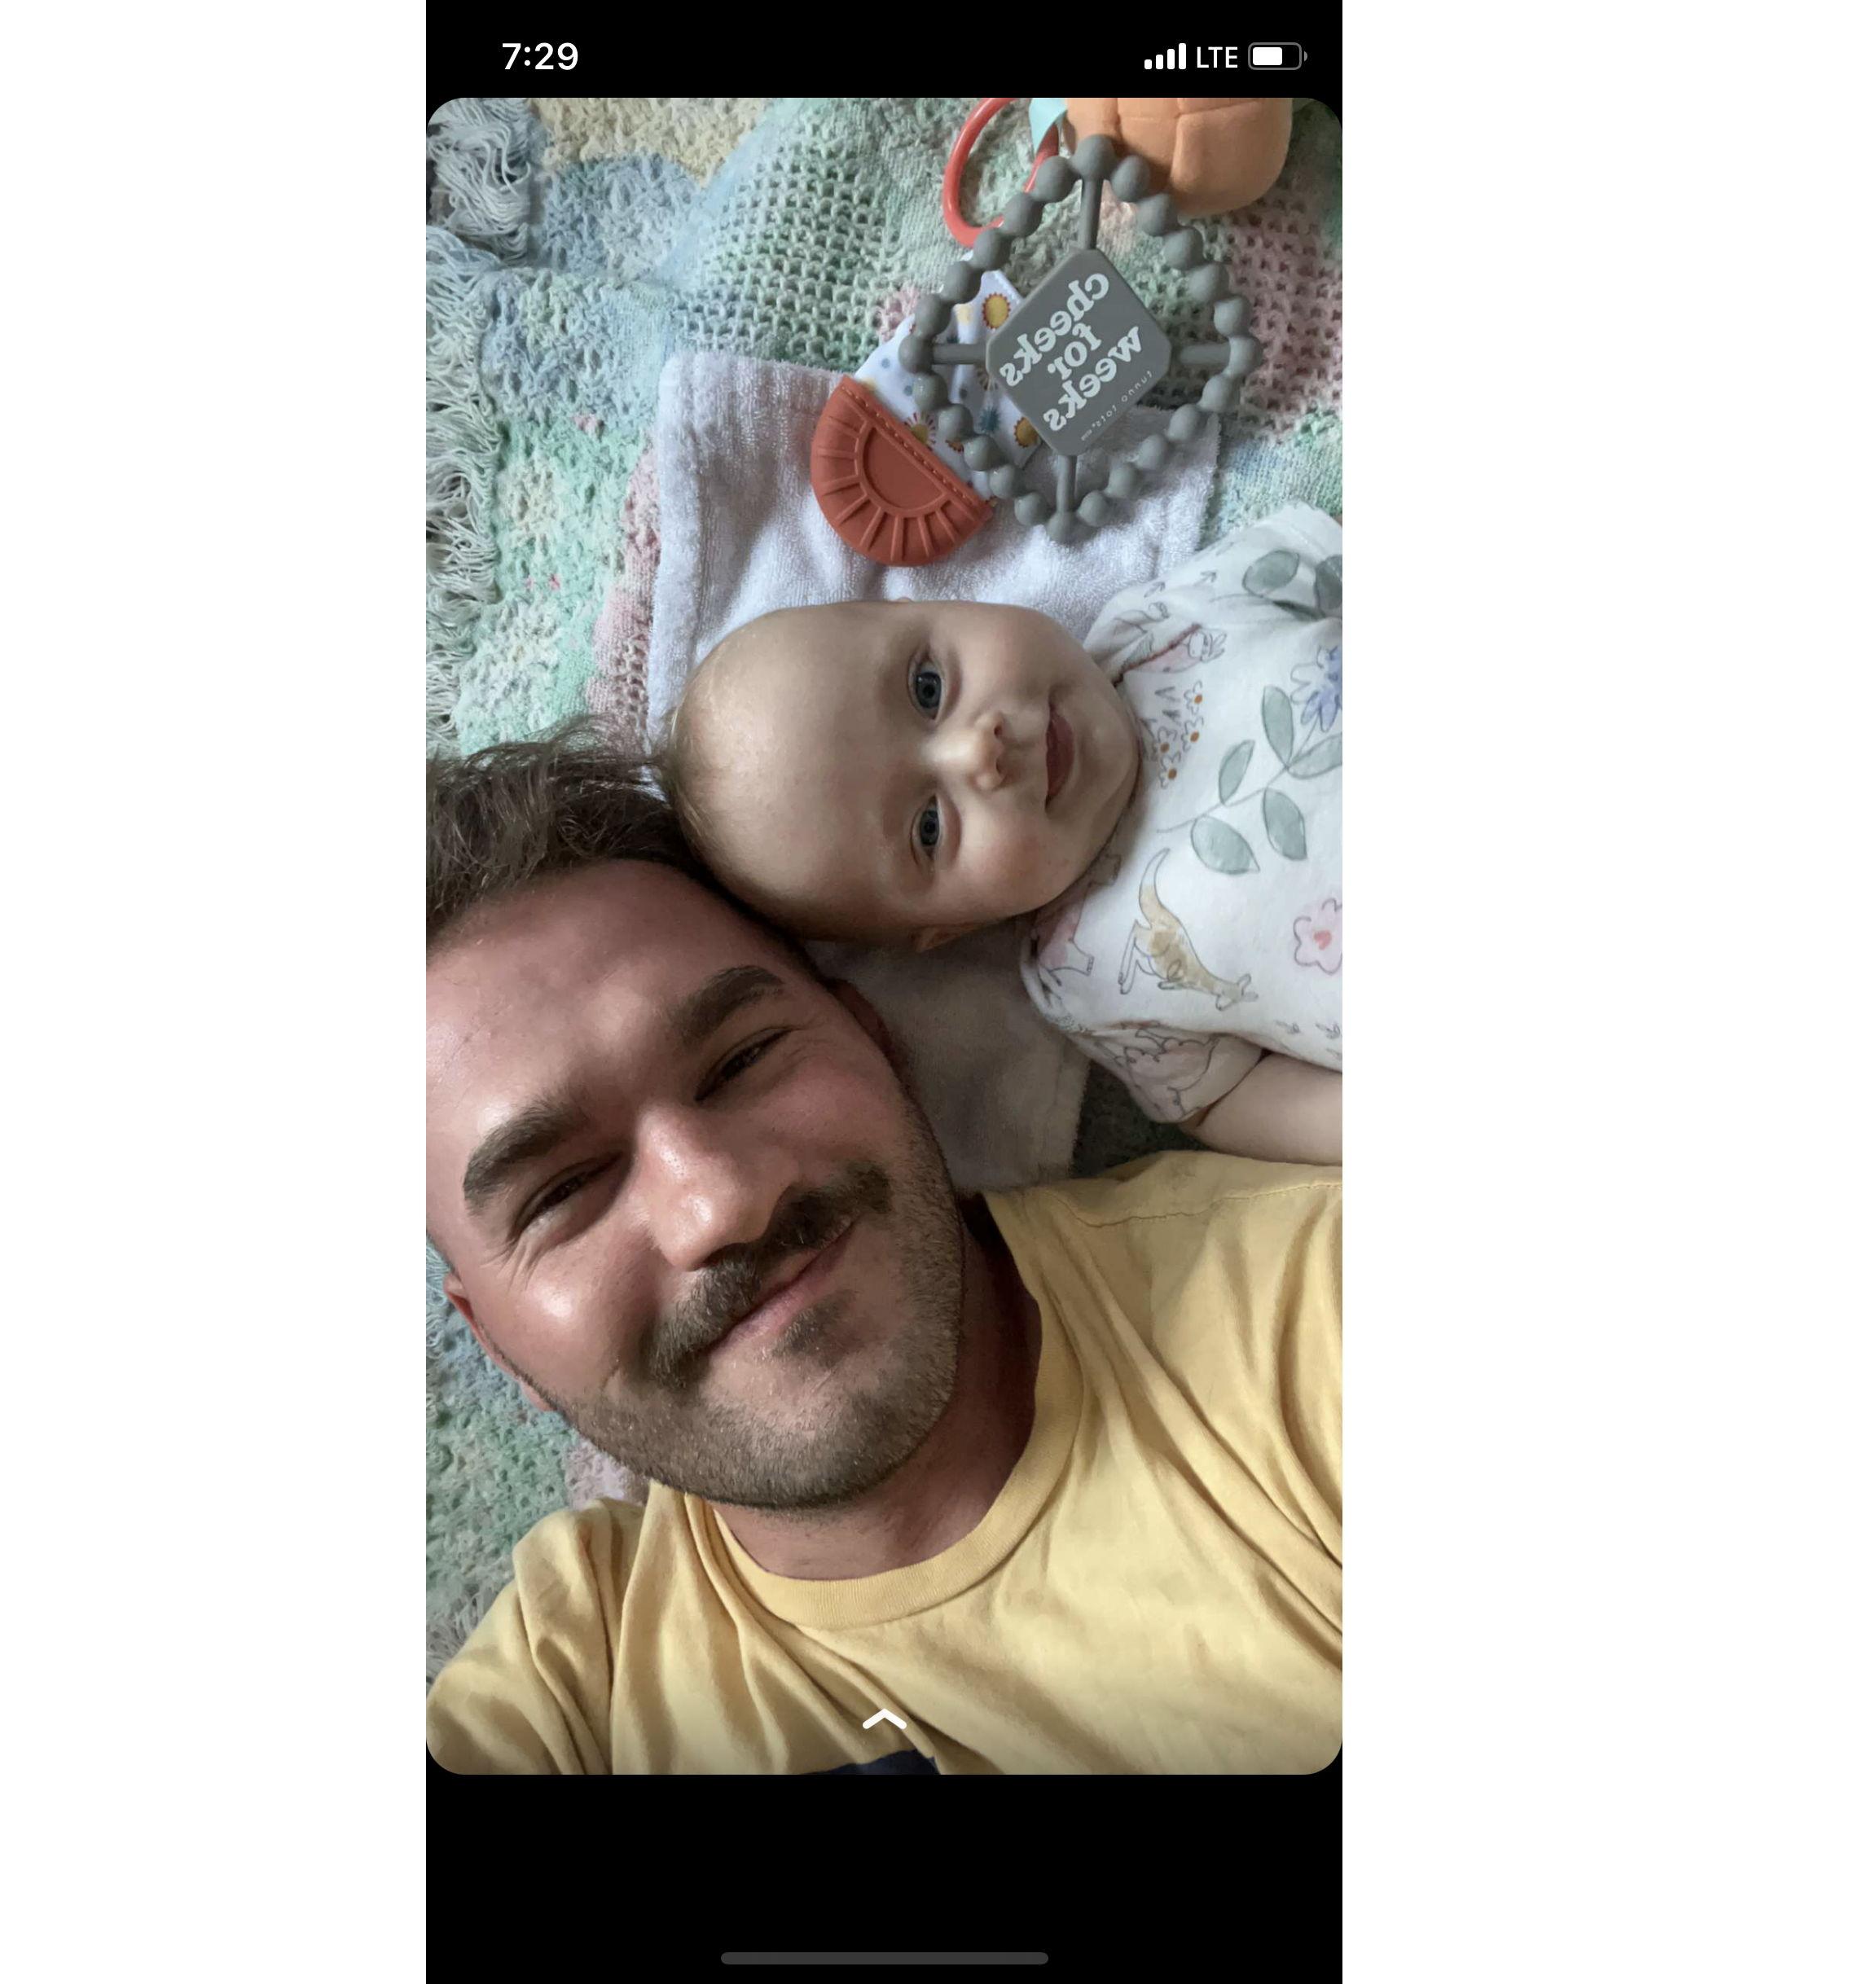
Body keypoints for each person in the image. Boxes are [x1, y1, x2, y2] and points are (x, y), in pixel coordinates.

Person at [424, 723, 1341, 1774]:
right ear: (495, 1342)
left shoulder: (1307, 1311)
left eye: (743, 1060)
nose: (717, 1205)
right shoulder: (569, 1693)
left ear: (879, 1041)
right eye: (562, 1191)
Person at [657, 506, 1343, 1165]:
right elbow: (1221, 1094)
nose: (977, 754)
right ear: (950, 928)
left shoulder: (1165, 623)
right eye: (929, 827)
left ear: (937, 603)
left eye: (927, 688)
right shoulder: (1086, 979)